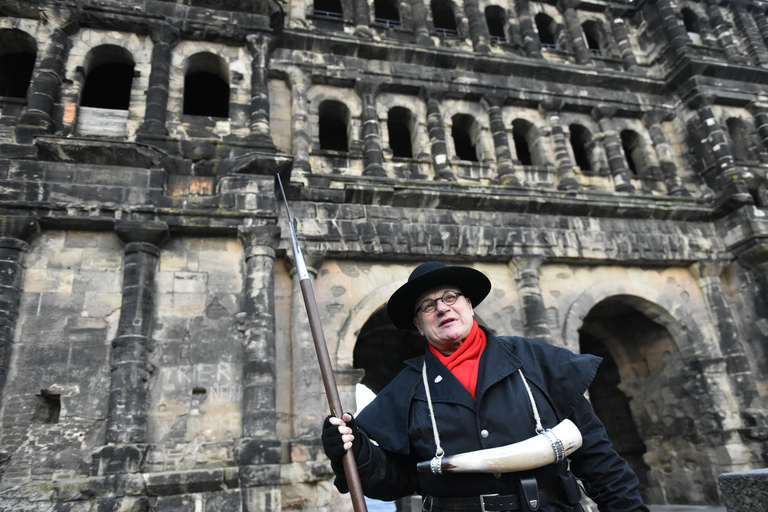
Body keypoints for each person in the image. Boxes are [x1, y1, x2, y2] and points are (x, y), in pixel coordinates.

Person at [322, 262, 649, 512]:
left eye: (450, 297)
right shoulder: (406, 389)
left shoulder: (536, 361)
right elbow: (394, 480)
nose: (442, 308)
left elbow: (598, 459)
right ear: (419, 326)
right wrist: (355, 452)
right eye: (427, 306)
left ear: (469, 306)